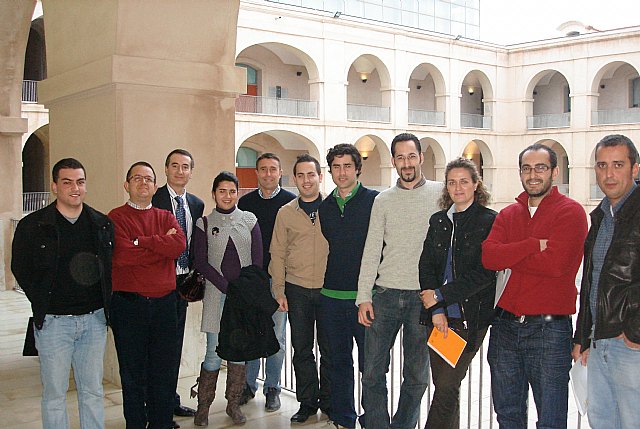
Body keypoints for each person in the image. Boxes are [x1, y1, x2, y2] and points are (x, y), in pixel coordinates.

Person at [482, 143, 588, 429]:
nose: (533, 175)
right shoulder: (508, 214)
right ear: (520, 173)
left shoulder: (572, 213)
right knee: (507, 416)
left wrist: (511, 254)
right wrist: (532, 246)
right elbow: (489, 257)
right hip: (504, 329)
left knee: (551, 420)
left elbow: (557, 265)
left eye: (540, 167)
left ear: (554, 172)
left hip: (549, 331)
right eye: (527, 168)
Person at [11, 158, 113, 429]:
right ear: (55, 186)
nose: (74, 188)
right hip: (54, 323)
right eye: (67, 182)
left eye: (80, 182)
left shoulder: (100, 224)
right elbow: (20, 267)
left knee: (92, 391)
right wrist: (43, 300)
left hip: (93, 321)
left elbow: (109, 268)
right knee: (54, 394)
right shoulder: (33, 226)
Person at [356, 133, 440, 429]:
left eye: (411, 156)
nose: (406, 163)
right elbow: (371, 249)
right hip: (386, 295)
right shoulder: (383, 200)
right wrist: (363, 296)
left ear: (420, 158)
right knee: (373, 372)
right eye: (400, 158)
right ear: (393, 162)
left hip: (423, 299)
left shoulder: (441, 195)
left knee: (417, 376)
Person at [418, 157, 497, 429]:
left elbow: (485, 273)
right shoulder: (439, 220)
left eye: (464, 181)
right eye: (452, 182)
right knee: (444, 387)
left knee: (447, 386)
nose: (458, 187)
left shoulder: (489, 221)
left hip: (468, 319)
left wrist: (440, 296)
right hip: (438, 318)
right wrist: (436, 309)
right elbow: (426, 266)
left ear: (476, 184)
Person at [109, 161, 186, 429]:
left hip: (165, 304)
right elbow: (122, 256)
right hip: (129, 306)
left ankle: (161, 423)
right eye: (137, 178)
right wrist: (159, 245)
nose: (143, 183)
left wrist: (142, 242)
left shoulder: (165, 216)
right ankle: (136, 424)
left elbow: (178, 245)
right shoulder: (116, 218)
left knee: (162, 372)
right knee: (132, 374)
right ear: (126, 185)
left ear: (155, 186)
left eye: (148, 179)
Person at [572, 134, 640, 429]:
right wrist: (583, 335)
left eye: (618, 164)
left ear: (635, 169)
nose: (609, 174)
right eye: (602, 165)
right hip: (599, 344)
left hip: (630, 345)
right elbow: (592, 280)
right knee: (602, 422)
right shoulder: (601, 216)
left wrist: (635, 332)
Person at [191, 171, 263, 426]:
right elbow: (200, 261)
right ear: (214, 194)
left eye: (232, 191)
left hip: (242, 299)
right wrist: (225, 287)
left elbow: (257, 260)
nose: (227, 195)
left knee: (239, 353)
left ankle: (233, 404)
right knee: (213, 352)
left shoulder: (250, 220)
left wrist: (243, 290)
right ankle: (203, 407)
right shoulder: (204, 224)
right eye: (222, 191)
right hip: (215, 296)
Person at [319, 143, 379, 429]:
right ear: (330, 170)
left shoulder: (374, 201)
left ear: (357, 168)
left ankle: (373, 419)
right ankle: (344, 419)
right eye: (336, 167)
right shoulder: (325, 207)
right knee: (338, 364)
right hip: (331, 297)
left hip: (365, 298)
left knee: (372, 367)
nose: (341, 172)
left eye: (347, 166)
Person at [269, 154, 331, 423]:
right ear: (294, 179)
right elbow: (277, 253)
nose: (307, 180)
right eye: (301, 175)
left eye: (311, 174)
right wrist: (279, 290)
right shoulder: (285, 213)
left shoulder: (334, 207)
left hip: (331, 291)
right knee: (302, 349)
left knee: (330, 349)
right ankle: (307, 402)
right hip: (297, 289)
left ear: (320, 176)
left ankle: (330, 400)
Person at [237, 153, 295, 411]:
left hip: (279, 279)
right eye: (263, 170)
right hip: (252, 280)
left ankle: (273, 386)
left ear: (280, 172)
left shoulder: (291, 203)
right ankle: (248, 385)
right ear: (257, 173)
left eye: (273, 169)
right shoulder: (245, 203)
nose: (268, 174)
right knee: (250, 331)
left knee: (277, 336)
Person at [152, 149, 205, 425]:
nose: (180, 171)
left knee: (174, 345)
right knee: (159, 346)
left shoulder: (196, 204)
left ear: (191, 172)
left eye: (185, 166)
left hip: (183, 284)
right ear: (166, 169)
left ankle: (170, 400)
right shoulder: (154, 199)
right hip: (158, 282)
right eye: (175, 165)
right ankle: (157, 405)